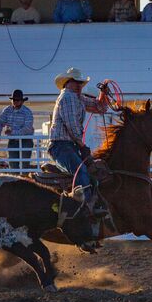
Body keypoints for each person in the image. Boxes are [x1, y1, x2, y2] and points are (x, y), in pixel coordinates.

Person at [48, 67, 112, 207]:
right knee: (81, 171)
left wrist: (103, 94)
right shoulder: (68, 97)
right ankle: (83, 207)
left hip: (69, 145)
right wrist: (82, 146)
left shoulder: (77, 98)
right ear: (68, 83)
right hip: (61, 145)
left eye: (81, 83)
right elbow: (72, 125)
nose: (80, 86)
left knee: (90, 170)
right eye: (77, 82)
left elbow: (100, 107)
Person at [0, 89, 35, 173]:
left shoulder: (27, 112)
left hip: (25, 140)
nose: (15, 101)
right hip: (13, 141)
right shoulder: (7, 110)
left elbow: (27, 129)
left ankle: (24, 181)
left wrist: (12, 133)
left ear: (22, 101)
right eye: (13, 100)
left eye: (17, 100)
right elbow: (0, 121)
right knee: (13, 164)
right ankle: (15, 181)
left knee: (24, 165)